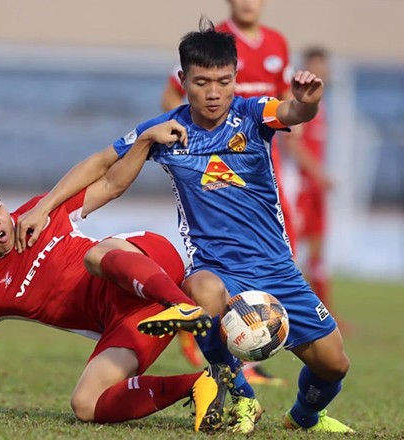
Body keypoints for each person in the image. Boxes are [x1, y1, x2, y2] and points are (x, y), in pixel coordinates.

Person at [17, 20, 353, 434]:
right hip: (215, 267)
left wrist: (308, 102)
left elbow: (292, 111)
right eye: (202, 82)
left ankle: (303, 417)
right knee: (201, 293)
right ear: (183, 80)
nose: (213, 92)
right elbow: (104, 168)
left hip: (276, 269)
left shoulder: (252, 114)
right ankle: (242, 398)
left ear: (235, 80)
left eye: (223, 81)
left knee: (334, 365)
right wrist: (47, 207)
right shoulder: (166, 130)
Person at [0, 121, 237, 434]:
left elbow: (111, 182)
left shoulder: (38, 212)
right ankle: (201, 382)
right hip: (134, 319)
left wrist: (144, 139)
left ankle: (182, 305)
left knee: (95, 256)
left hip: (146, 261)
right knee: (86, 404)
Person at [161, 0, 297, 381]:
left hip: (259, 166)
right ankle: (222, 346)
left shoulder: (277, 44)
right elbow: (171, 98)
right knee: (219, 266)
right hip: (217, 168)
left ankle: (250, 340)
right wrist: (194, 146)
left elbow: (286, 104)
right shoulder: (214, 44)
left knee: (283, 247)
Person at [289, 46, 337, 318]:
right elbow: (293, 144)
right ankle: (291, 311)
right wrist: (318, 174)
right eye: (314, 68)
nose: (320, 73)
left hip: (315, 188)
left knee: (318, 250)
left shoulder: (323, 106)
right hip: (298, 187)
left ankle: (326, 312)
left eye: (323, 68)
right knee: (292, 251)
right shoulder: (300, 105)